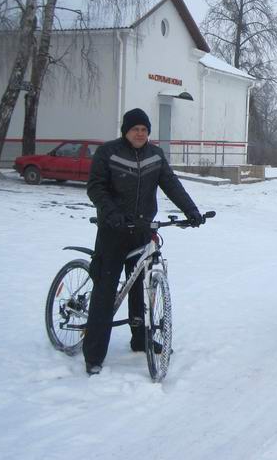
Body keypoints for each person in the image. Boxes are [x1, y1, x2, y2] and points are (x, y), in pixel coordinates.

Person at [84, 108, 205, 375]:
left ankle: (141, 340)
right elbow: (96, 187)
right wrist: (111, 213)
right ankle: (93, 355)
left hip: (141, 230)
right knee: (105, 292)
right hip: (113, 231)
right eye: (135, 129)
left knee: (139, 288)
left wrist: (191, 210)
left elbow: (171, 184)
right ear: (125, 131)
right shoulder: (108, 153)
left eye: (144, 129)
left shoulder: (155, 155)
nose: (140, 133)